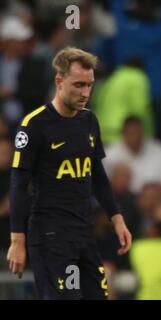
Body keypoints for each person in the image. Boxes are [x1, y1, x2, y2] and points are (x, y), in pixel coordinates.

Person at [6, 47, 132, 300]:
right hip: (50, 235)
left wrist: (116, 218)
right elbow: (18, 184)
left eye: (89, 85)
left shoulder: (89, 121)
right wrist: (17, 240)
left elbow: (97, 175)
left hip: (84, 232)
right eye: (79, 85)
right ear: (59, 81)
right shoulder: (35, 125)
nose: (86, 93)